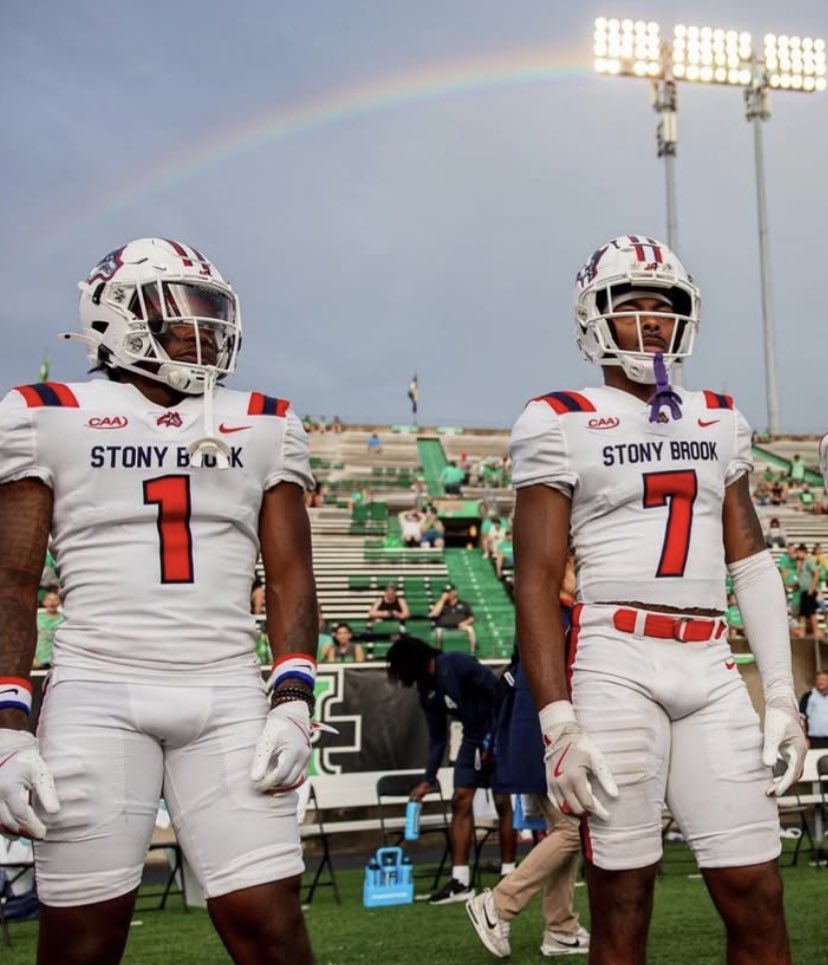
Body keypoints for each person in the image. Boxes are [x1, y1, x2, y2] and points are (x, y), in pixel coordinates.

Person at [0, 238, 320, 965]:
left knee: (271, 927)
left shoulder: (264, 421)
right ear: (115, 315)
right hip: (97, 687)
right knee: (83, 940)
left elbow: (291, 576)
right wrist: (8, 723)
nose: (202, 328)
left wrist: (294, 697)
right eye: (180, 311)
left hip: (227, 687)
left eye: (211, 310)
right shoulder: (46, 412)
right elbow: (12, 579)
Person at [509, 234, 806, 965]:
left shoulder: (719, 418)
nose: (652, 320)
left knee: (757, 890)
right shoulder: (558, 418)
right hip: (616, 659)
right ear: (594, 317)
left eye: (664, 306)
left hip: (710, 661)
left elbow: (751, 560)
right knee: (623, 898)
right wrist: (557, 722)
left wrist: (781, 697)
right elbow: (537, 581)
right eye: (633, 304)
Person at [467, 567, 589, 959]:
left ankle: (561, 928)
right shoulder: (554, 613)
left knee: (563, 832)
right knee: (571, 831)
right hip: (542, 734)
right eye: (574, 566)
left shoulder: (551, 611)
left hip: (537, 733)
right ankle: (498, 904)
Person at [386, 636, 515, 905]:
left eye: (400, 668)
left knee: (503, 800)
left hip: (498, 732)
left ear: (413, 661)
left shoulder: (456, 664)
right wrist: (427, 780)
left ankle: (509, 874)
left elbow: (499, 694)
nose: (400, 676)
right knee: (459, 800)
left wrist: (493, 739)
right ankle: (460, 881)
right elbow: (438, 739)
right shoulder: (426, 691)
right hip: (472, 738)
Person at [430, 584, 476, 654]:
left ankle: (472, 652)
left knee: (470, 629)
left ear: (454, 592)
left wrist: (465, 622)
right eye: (446, 592)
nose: (448, 594)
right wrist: (442, 600)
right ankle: (438, 653)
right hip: (442, 627)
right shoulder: (440, 604)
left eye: (449, 592)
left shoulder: (464, 604)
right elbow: (434, 614)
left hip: (459, 626)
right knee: (437, 631)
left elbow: (471, 617)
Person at [34, 588, 63, 670]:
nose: (52, 602)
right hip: (38, 661)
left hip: (58, 661)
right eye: (49, 599)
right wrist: (32, 658)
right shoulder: (36, 618)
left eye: (55, 600)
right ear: (44, 602)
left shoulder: (64, 619)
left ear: (59, 602)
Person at [799, 670, 828, 749]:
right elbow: (801, 719)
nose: (820, 682)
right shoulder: (808, 696)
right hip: (814, 740)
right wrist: (804, 738)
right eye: (818, 680)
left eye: (823, 680)